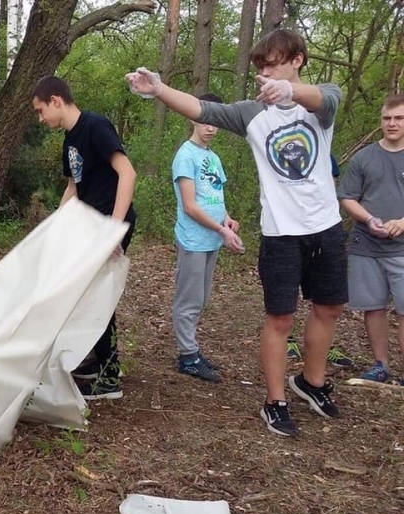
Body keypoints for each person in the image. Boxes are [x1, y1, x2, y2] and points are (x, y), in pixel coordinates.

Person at [126, 29, 346, 437]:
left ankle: (311, 383)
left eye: (275, 63)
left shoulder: (319, 101)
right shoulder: (250, 113)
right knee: (280, 317)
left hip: (326, 227)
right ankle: (275, 401)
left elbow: (326, 99)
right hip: (281, 233)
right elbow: (201, 110)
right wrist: (158, 88)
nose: (266, 72)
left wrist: (290, 92)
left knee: (329, 308)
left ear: (298, 60)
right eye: (261, 66)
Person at [31, 75, 137, 401]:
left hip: (109, 224)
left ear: (56, 101)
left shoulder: (95, 126)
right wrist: (54, 227)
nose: (40, 118)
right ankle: (95, 361)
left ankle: (109, 375)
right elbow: (73, 189)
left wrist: (112, 232)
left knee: (97, 296)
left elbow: (127, 173)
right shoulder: (69, 140)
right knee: (87, 294)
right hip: (89, 226)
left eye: (40, 110)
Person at [171, 93, 244, 383]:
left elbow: (215, 195)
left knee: (201, 299)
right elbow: (190, 205)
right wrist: (221, 230)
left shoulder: (213, 158)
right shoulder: (185, 155)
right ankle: (187, 357)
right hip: (193, 239)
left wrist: (226, 219)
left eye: (215, 121)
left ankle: (192, 350)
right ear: (193, 117)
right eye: (205, 120)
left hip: (212, 238)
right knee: (188, 300)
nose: (210, 127)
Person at [338, 94, 404, 384]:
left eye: (399, 118)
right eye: (387, 118)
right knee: (373, 307)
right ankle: (381, 365)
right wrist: (369, 219)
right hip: (366, 246)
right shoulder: (364, 157)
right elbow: (347, 197)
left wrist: (402, 223)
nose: (392, 123)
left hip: (402, 248)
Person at [286, 153, 354, 368]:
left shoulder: (326, 156)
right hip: (286, 230)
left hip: (322, 230)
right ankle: (288, 340)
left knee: (325, 299)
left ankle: (322, 346)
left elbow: (330, 191)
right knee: (286, 294)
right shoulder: (280, 153)